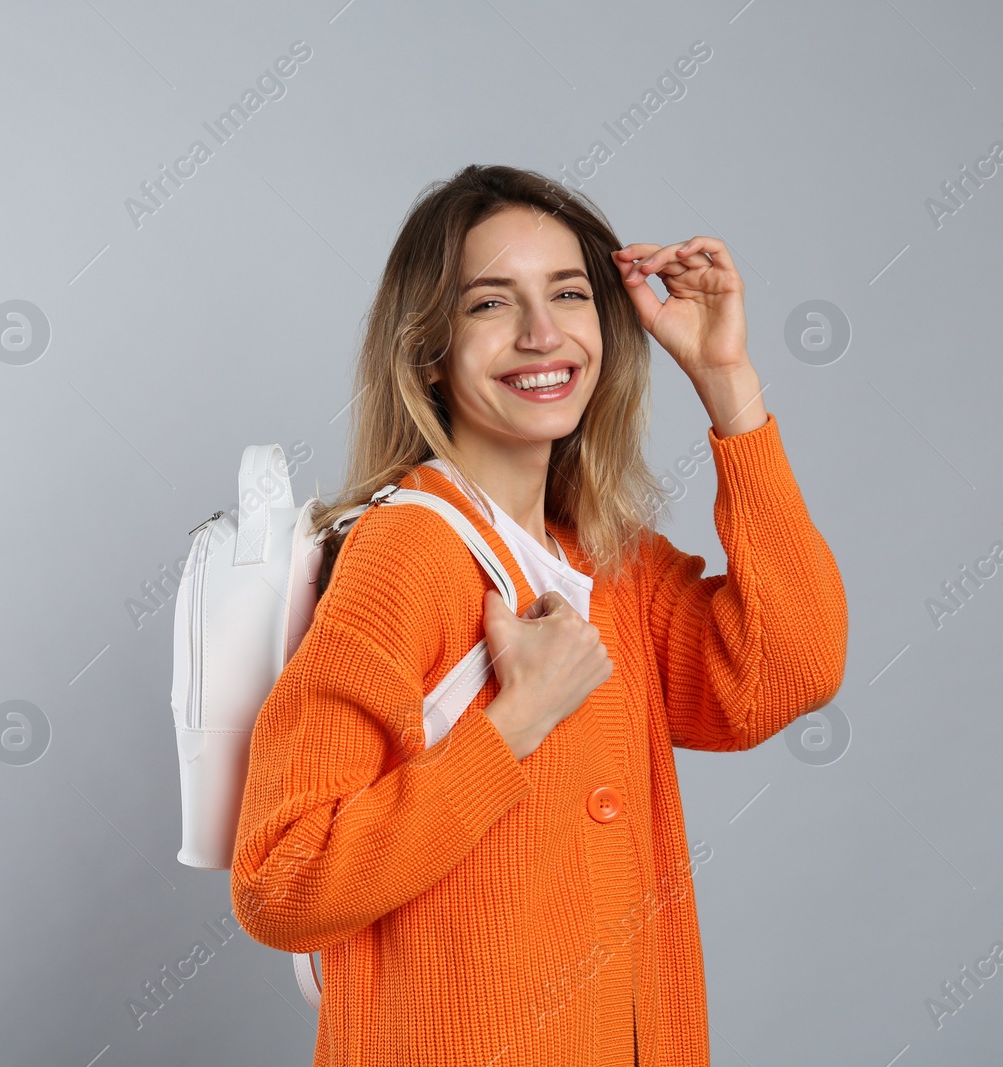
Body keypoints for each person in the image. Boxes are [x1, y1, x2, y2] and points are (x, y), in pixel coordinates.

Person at [228, 164, 848, 1067]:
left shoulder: (606, 557)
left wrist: (726, 380)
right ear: (428, 347)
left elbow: (786, 667)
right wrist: (511, 724)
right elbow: (282, 881)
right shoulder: (409, 551)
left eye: (568, 293)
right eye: (490, 303)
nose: (542, 333)